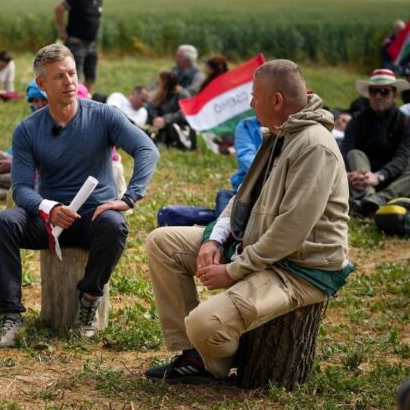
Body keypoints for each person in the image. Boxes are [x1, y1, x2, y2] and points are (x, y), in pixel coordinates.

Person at [144, 59, 352, 384]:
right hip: (259, 246)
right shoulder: (282, 134)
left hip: (297, 269)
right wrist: (214, 239)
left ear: (277, 100)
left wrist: (233, 270)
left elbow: (290, 232)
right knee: (162, 243)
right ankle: (195, 357)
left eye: (255, 96)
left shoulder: (314, 146)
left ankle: (214, 358)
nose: (251, 103)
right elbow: (243, 195)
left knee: (204, 325)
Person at [0, 44, 159, 347]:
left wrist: (129, 197)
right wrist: (49, 208)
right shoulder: (27, 130)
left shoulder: (105, 116)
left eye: (72, 73)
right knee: (4, 223)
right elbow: (22, 188)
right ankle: (11, 314)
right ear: (41, 84)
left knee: (115, 225)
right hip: (49, 220)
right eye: (59, 76)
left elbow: (147, 150)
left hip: (93, 217)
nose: (69, 81)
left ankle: (89, 300)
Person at [341, 69, 410, 216]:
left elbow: (402, 157)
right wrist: (348, 175)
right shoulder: (357, 120)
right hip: (362, 177)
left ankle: (378, 199)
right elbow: (345, 151)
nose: (378, 96)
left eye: (384, 91)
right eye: (373, 91)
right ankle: (369, 198)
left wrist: (379, 176)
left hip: (392, 178)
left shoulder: (405, 122)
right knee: (354, 154)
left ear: (394, 95)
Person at [54, 0, 104, 92]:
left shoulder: (98, 0)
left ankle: (85, 97)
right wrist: (62, 31)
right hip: (76, 44)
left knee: (91, 76)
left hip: (91, 44)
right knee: (75, 75)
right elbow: (59, 9)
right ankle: (74, 98)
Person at [148, 70, 191, 144]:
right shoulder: (160, 94)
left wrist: (165, 119)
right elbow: (154, 108)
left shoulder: (182, 95)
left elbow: (183, 113)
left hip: (175, 123)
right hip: (160, 123)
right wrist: (155, 118)